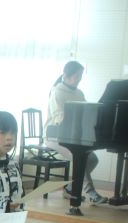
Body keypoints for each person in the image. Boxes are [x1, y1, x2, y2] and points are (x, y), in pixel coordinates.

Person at [44, 61, 108, 204]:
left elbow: (87, 113)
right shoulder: (57, 92)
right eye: (77, 76)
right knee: (79, 156)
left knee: (93, 159)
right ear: (67, 75)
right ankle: (91, 192)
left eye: (81, 76)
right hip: (55, 136)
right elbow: (58, 117)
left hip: (74, 136)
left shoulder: (79, 93)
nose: (79, 79)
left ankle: (70, 188)